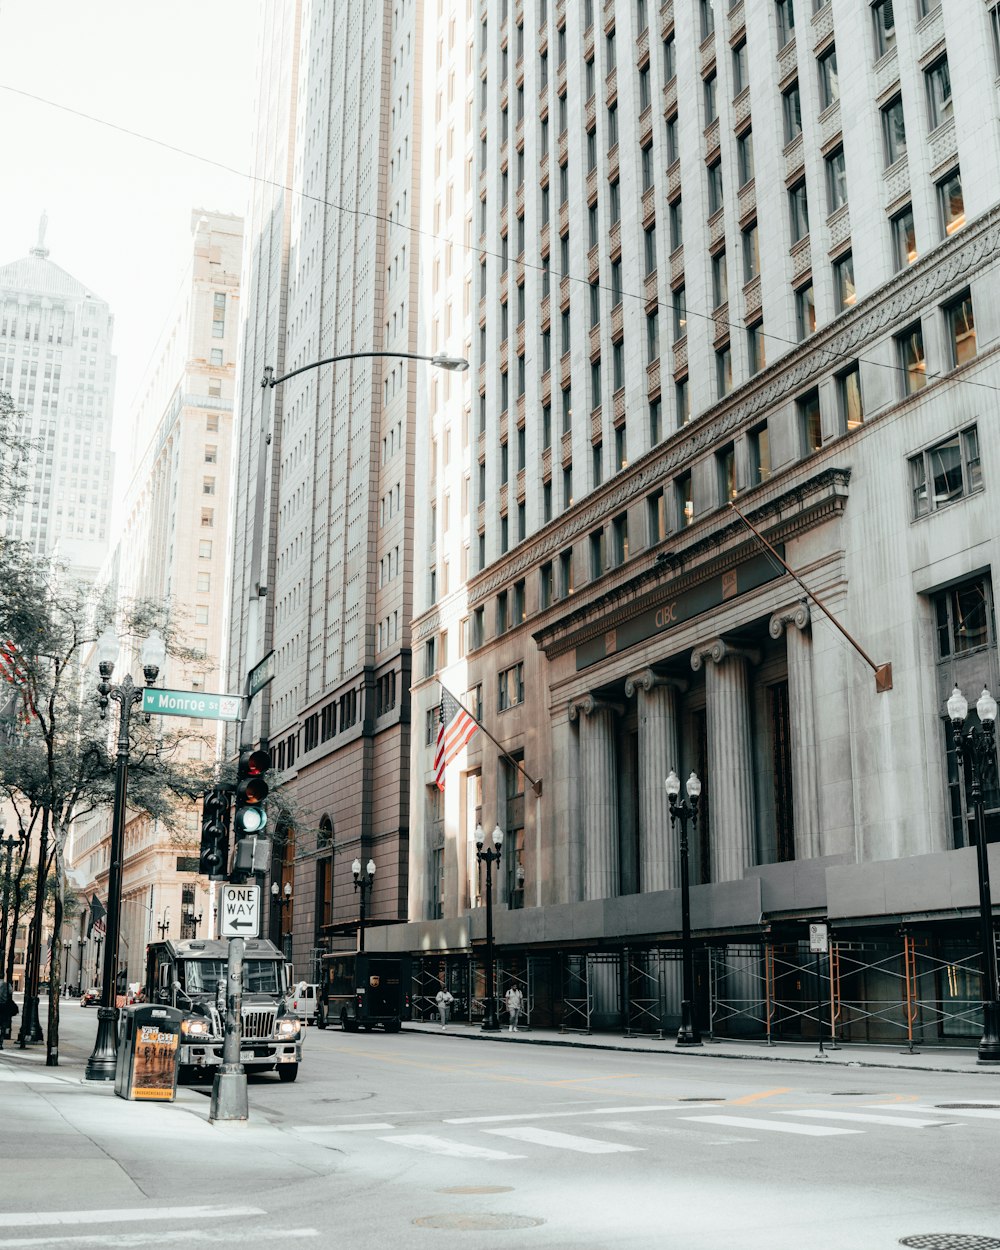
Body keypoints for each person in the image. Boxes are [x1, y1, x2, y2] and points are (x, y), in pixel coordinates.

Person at [0, 979, 18, 1048]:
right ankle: (0, 1043)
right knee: (3, 1026)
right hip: (4, 1008)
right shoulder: (7, 985)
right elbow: (10, 993)